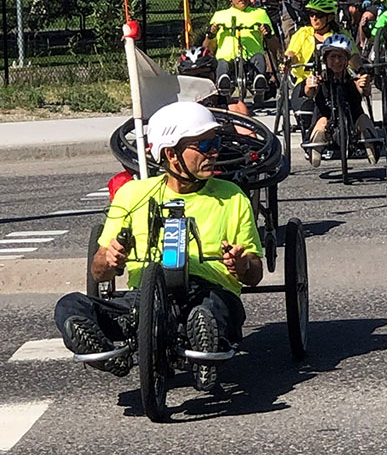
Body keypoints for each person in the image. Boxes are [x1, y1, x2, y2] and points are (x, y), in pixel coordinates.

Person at [53, 102, 263, 390]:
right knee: (69, 305)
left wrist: (242, 264)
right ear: (171, 153)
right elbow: (99, 272)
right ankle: (108, 355)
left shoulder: (232, 197)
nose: (214, 152)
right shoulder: (132, 194)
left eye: (216, 142)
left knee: (211, 310)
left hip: (207, 293)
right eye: (204, 144)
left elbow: (254, 275)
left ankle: (206, 350)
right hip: (144, 299)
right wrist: (109, 258)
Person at [283, 0, 359, 152]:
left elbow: (353, 55)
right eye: (311, 14)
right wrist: (288, 60)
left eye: (319, 15)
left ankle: (356, 132)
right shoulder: (303, 33)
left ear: (330, 17)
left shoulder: (341, 34)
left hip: (336, 80)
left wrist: (361, 70)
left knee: (353, 98)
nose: (314, 18)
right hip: (306, 80)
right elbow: (292, 51)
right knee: (304, 109)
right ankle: (313, 138)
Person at [304, 34, 377, 166]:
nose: (337, 61)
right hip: (325, 121)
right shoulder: (319, 79)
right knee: (322, 122)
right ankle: (315, 149)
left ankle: (371, 146)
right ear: (325, 59)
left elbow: (364, 92)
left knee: (364, 120)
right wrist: (309, 86)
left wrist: (364, 86)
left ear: (346, 60)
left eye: (340, 57)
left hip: (353, 123)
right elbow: (309, 93)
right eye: (333, 57)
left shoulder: (353, 79)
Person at [204, 0, 272, 96]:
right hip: (227, 57)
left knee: (259, 58)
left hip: (251, 57)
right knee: (222, 63)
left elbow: (274, 45)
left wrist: (268, 34)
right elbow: (207, 48)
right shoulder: (220, 15)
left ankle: (259, 83)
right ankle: (223, 85)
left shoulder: (260, 13)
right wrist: (210, 35)